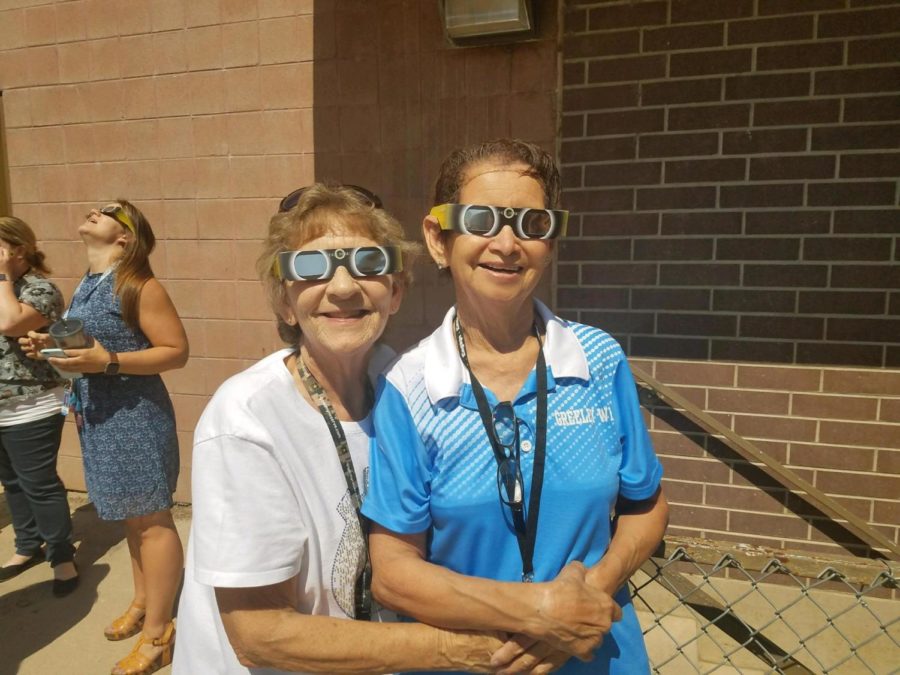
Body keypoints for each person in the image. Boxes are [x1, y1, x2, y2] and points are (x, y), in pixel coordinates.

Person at [173, 183, 580, 675]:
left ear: (396, 292)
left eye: (369, 264)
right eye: (311, 267)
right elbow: (260, 635)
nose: (344, 288)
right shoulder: (247, 420)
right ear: (284, 302)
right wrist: (468, 650)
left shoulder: (405, 384)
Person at [362, 139, 670, 674]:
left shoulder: (599, 359)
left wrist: (589, 596)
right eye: (481, 220)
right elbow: (393, 573)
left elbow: (646, 506)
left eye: (532, 223)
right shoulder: (408, 388)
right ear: (439, 239)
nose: (507, 243)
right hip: (471, 661)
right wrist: (542, 614)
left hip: (596, 653)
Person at [21, 201, 188, 675]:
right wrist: (49, 347)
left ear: (126, 238)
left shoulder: (138, 284)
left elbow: (176, 352)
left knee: (152, 522)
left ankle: (159, 633)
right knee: (132, 522)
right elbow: (90, 350)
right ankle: (142, 602)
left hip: (134, 417)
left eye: (112, 211)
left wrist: (107, 361)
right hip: (100, 416)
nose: (96, 209)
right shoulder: (87, 285)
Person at [0, 216, 78, 597]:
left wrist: (2, 279)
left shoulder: (40, 290)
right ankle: (27, 546)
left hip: (34, 402)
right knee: (12, 481)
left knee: (39, 483)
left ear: (17, 250)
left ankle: (62, 555)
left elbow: (11, 323)